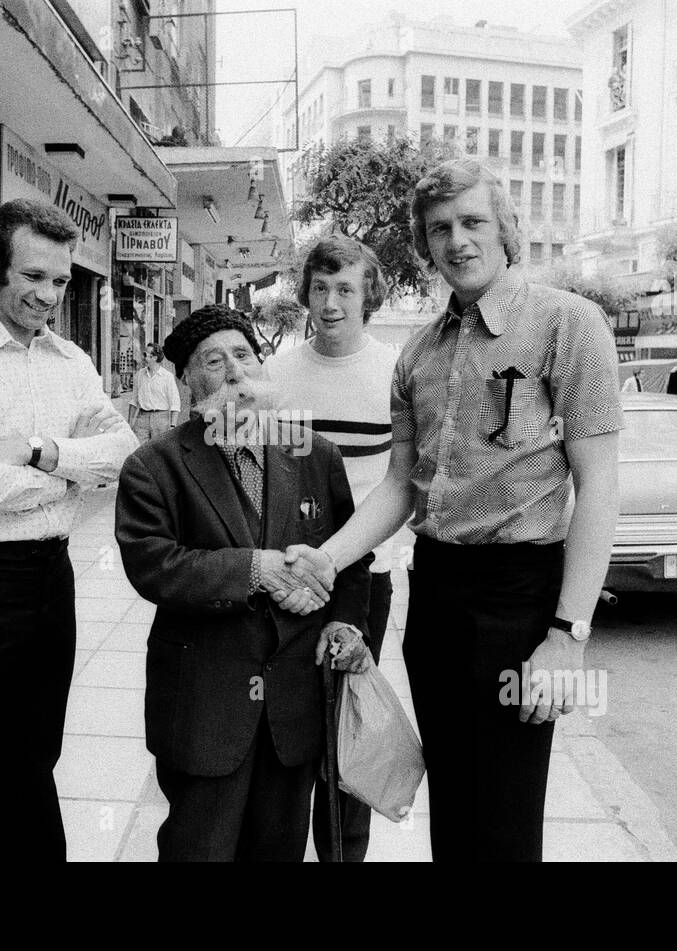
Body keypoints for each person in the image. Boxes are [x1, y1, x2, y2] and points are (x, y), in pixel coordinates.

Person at [285, 157, 623, 862]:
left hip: (520, 599)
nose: (457, 240)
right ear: (425, 243)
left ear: (505, 229)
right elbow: (401, 486)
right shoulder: (417, 353)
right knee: (455, 821)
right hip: (436, 597)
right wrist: (328, 556)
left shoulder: (569, 325)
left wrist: (568, 635)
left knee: (503, 824)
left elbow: (600, 485)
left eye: (472, 221)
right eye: (440, 228)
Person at [0, 199, 138, 863]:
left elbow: (125, 449)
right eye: (33, 276)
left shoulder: (70, 361)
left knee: (37, 749)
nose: (48, 295)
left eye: (62, 280)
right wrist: (75, 475)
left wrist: (43, 451)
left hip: (53, 576)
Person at [114, 304, 373, 861]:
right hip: (206, 706)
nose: (234, 371)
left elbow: (351, 560)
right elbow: (153, 563)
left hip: (293, 706)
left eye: (244, 355)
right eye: (214, 360)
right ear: (186, 381)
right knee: (198, 848)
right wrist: (257, 569)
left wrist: (347, 626)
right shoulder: (154, 466)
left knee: (278, 849)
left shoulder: (314, 455)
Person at [264, 235, 398, 863]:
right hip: (287, 577)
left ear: (369, 294)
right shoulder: (276, 376)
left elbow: (407, 487)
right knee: (290, 725)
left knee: (348, 727)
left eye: (346, 288)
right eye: (320, 288)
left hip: (363, 579)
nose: (331, 302)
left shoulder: (396, 372)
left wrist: (340, 561)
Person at [128, 344, 180, 443]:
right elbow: (134, 401)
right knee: (140, 451)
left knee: (159, 452)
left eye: (146, 355)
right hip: (142, 418)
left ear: (155, 357)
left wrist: (172, 426)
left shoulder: (167, 377)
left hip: (161, 420)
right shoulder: (139, 375)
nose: (143, 358)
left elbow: (175, 403)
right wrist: (129, 423)